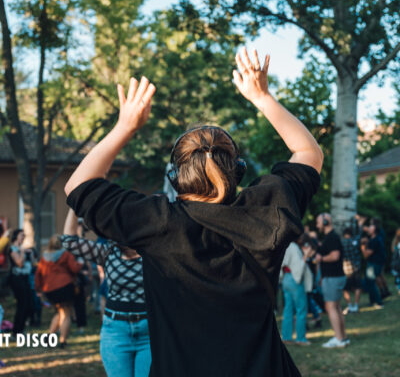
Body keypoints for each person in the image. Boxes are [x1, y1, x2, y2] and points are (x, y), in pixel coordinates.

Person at [64, 48, 323, 376]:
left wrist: (126, 126)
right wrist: (262, 97)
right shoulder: (265, 211)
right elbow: (308, 152)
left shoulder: (157, 223)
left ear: (175, 177)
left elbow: (78, 185)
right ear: (238, 170)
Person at [62, 208, 152, 377]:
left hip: (149, 332)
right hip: (116, 331)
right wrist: (74, 203)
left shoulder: (155, 252)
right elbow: (69, 241)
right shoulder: (108, 252)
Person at [35, 234, 83, 348]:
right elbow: (75, 268)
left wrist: (38, 289)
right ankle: (63, 340)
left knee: (59, 312)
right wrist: (81, 262)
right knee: (66, 313)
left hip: (49, 289)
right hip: (64, 286)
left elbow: (38, 274)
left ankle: (50, 337)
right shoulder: (66, 254)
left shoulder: (44, 257)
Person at [315, 213, 349, 348]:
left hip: (333, 278)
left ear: (325, 222)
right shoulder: (330, 237)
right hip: (333, 277)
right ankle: (343, 337)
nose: (317, 225)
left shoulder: (332, 237)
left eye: (318, 222)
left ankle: (339, 339)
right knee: (337, 307)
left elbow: (335, 256)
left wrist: (321, 259)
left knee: (331, 307)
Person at [280, 237, 313, 345]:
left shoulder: (285, 245)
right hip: (294, 279)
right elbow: (298, 267)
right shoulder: (293, 247)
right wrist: (306, 255)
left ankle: (286, 337)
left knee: (288, 309)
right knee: (301, 309)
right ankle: (300, 338)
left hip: (286, 278)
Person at [8, 229, 34, 336]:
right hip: (17, 279)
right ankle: (16, 331)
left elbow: (32, 263)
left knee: (28, 304)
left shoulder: (23, 248)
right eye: (21, 235)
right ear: (16, 236)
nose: (23, 237)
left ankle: (21, 329)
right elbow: (19, 263)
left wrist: (30, 254)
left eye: (24, 235)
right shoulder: (13, 249)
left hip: (26, 278)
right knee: (22, 304)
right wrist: (23, 252)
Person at [360, 221, 385, 308]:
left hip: (373, 264)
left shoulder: (374, 241)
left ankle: (378, 301)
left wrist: (362, 247)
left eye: (370, 228)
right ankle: (373, 301)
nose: (368, 230)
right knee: (369, 282)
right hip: (376, 263)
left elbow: (366, 255)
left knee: (370, 282)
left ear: (374, 231)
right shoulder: (376, 239)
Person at [341, 227, 362, 314]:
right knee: (358, 286)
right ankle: (356, 305)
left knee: (345, 288)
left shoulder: (342, 242)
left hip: (346, 269)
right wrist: (360, 226)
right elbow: (359, 235)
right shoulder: (355, 241)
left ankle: (349, 305)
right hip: (356, 267)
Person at [391, 228, 400, 294]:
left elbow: (392, 250)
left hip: (395, 263)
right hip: (397, 262)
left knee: (397, 277)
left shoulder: (395, 242)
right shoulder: (397, 242)